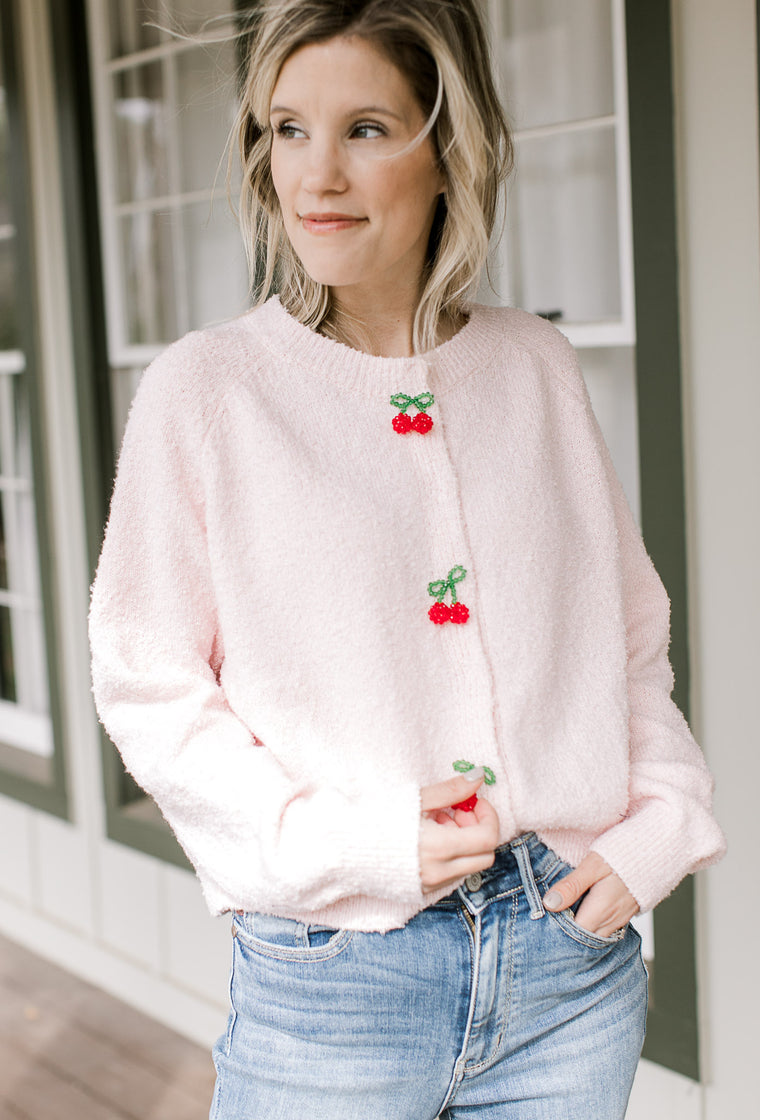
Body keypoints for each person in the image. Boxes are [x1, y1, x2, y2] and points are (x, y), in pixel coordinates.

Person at [88, 2, 726, 1117]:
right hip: (336, 976)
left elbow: (624, 634)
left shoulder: (532, 367)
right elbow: (149, 684)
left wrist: (659, 820)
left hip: (566, 966)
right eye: (288, 129)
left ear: (447, 151)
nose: (314, 175)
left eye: (365, 128)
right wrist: (335, 844)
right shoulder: (207, 392)